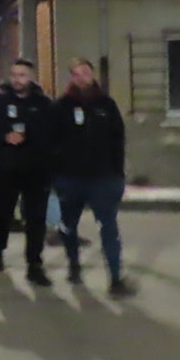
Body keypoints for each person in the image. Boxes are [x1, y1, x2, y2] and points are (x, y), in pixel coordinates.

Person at [52, 58, 134, 296]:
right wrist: (56, 175)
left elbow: (118, 141)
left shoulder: (107, 105)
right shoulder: (61, 106)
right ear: (71, 78)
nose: (81, 77)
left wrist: (118, 175)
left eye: (85, 72)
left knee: (108, 228)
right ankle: (74, 265)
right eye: (76, 74)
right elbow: (51, 142)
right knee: (68, 227)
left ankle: (116, 279)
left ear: (92, 74)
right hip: (70, 180)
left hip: (103, 180)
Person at [0, 58, 56, 285]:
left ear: (31, 77)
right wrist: (4, 140)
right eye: (14, 75)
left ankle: (34, 264)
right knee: (2, 214)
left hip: (36, 172)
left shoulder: (43, 104)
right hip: (6, 170)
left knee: (35, 219)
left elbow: (52, 137)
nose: (17, 79)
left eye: (22, 75)